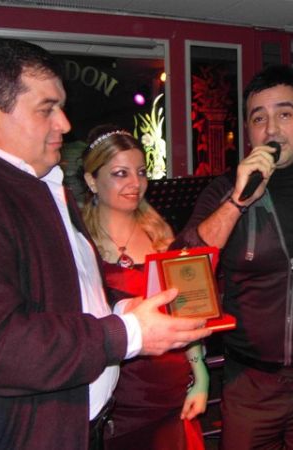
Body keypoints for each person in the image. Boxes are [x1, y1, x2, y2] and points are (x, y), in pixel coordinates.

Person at [0, 38, 210, 450]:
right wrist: (126, 333)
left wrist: (122, 308)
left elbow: (67, 291)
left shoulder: (43, 185)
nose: (65, 124)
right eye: (46, 109)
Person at [172, 64, 293, 449]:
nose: (271, 129)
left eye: (284, 114)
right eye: (258, 118)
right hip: (248, 384)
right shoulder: (225, 191)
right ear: (248, 131)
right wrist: (238, 202)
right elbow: (182, 268)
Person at [81, 125, 208, 449]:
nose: (135, 183)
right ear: (92, 180)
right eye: (120, 173)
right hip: (118, 398)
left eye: (140, 172)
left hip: (171, 390)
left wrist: (200, 374)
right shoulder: (80, 243)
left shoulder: (160, 234)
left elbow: (185, 309)